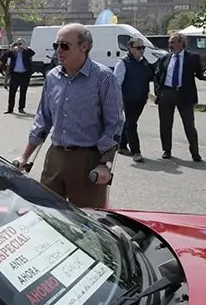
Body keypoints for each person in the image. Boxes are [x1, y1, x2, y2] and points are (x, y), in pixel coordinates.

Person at [14, 23, 124, 208]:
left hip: (88, 161)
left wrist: (105, 164)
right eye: (56, 45)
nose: (59, 50)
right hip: (55, 157)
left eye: (65, 45)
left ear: (84, 46)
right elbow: (43, 120)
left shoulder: (104, 78)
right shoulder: (52, 77)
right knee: (46, 213)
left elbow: (114, 125)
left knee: (87, 221)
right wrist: (25, 156)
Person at [154, 32, 206, 162]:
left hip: (184, 95)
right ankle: (166, 150)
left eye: (173, 42)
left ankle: (195, 153)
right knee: (165, 124)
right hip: (167, 94)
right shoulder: (165, 58)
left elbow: (199, 73)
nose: (170, 45)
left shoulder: (192, 57)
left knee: (189, 125)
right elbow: (157, 76)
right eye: (169, 43)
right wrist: (159, 92)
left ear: (181, 44)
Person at [113, 36, 154, 163]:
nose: (142, 50)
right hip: (128, 99)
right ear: (130, 48)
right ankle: (136, 151)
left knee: (131, 122)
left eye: (143, 47)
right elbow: (116, 84)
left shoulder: (144, 62)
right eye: (138, 48)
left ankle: (122, 145)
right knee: (132, 124)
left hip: (141, 99)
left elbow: (150, 77)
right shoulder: (123, 63)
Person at [1, 38, 35, 114]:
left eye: (20, 44)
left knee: (23, 92)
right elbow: (3, 58)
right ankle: (10, 109)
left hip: (24, 75)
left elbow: (32, 53)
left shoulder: (26, 52)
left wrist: (25, 47)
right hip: (15, 74)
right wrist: (10, 49)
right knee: (12, 92)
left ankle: (21, 108)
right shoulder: (13, 52)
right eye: (17, 44)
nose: (19, 46)